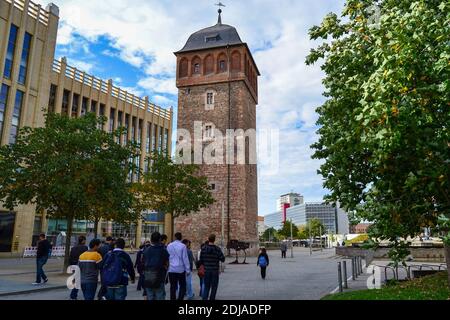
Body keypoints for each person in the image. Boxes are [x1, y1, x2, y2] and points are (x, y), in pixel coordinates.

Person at [143, 232, 169, 301]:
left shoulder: (146, 250)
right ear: (160, 239)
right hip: (159, 275)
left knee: (150, 295)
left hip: (148, 275)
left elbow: (143, 262)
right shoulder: (163, 250)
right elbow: (167, 263)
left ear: (151, 239)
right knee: (159, 295)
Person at [199, 234, 225, 301]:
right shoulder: (217, 249)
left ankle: (204, 299)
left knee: (206, 286)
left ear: (208, 239)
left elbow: (201, 260)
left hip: (206, 270)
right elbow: (223, 259)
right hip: (214, 270)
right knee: (214, 287)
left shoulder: (203, 248)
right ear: (214, 240)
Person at [167, 232, 191, 300]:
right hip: (180, 269)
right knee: (182, 285)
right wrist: (188, 270)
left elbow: (167, 257)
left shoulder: (169, 245)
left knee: (173, 286)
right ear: (181, 237)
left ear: (175, 237)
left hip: (171, 269)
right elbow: (185, 258)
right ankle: (180, 298)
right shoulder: (183, 246)